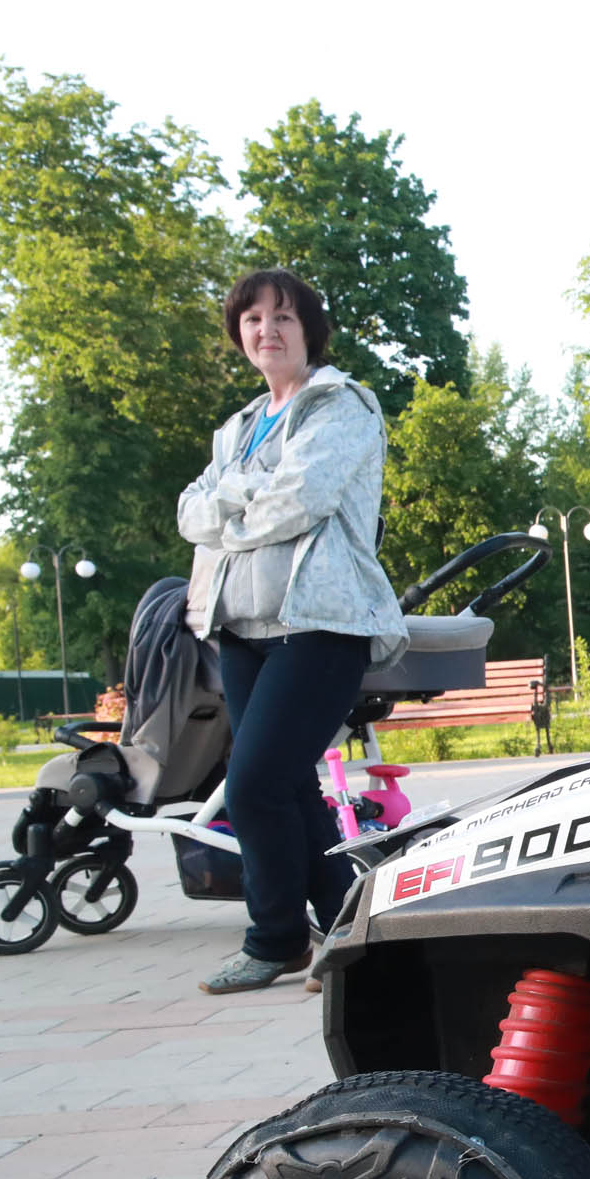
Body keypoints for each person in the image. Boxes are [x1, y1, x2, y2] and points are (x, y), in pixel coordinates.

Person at [178, 269, 407, 994]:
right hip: (242, 626)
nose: (266, 330)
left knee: (251, 786)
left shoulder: (341, 406)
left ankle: (273, 938)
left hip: (321, 622)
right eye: (252, 319)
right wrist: (241, 495)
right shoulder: (238, 428)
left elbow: (300, 500)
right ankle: (349, 933)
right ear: (239, 335)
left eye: (282, 317)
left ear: (309, 329)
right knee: (288, 789)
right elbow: (188, 511)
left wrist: (228, 509)